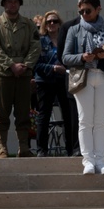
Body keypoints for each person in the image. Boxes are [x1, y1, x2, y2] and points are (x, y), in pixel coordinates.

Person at [63, 0, 104, 174]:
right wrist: (82, 57)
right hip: (83, 77)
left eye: (88, 10)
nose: (84, 14)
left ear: (98, 9)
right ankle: (87, 160)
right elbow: (65, 57)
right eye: (81, 11)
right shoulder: (74, 30)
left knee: (101, 122)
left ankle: (100, 160)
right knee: (85, 121)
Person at [0, 0, 41, 157]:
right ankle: (2, 148)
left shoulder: (29, 24)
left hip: (23, 74)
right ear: (4, 4)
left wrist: (25, 65)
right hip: (3, 74)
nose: (12, 4)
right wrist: (11, 65)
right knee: (1, 113)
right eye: (9, 1)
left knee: (23, 112)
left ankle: (24, 147)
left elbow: (35, 46)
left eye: (15, 1)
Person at [34, 11, 74, 157]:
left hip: (63, 81)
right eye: (49, 21)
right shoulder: (39, 41)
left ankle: (71, 148)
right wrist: (53, 68)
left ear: (59, 23)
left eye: (55, 21)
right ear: (44, 24)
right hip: (45, 81)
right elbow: (35, 64)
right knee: (44, 116)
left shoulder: (65, 40)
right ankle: (42, 150)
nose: (52, 24)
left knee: (68, 115)